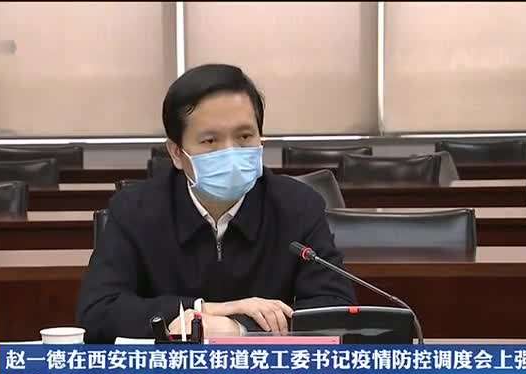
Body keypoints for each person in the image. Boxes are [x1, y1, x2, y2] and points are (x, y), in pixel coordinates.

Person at [77, 64, 356, 342]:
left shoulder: (298, 206)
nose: (230, 153)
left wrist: (240, 329)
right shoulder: (135, 210)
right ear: (176, 153)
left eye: (244, 136)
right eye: (210, 140)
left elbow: (334, 307)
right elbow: (98, 312)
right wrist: (206, 310)